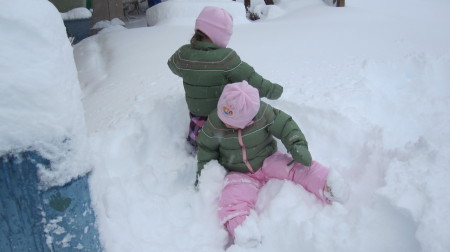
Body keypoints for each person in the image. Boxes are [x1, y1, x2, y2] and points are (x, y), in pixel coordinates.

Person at [196, 81, 350, 243]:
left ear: (250, 116)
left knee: (295, 168)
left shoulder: (263, 114)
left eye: (232, 122)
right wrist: (203, 173)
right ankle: (244, 232)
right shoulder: (214, 122)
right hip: (238, 171)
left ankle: (328, 184)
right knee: (232, 199)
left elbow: (285, 126)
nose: (225, 123)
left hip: (267, 159)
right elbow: (206, 148)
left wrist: (297, 144)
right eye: (223, 116)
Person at [168, 6, 283, 148]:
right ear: (219, 35)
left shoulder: (183, 55)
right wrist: (272, 90)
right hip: (223, 122)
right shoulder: (225, 59)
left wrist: (193, 71)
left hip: (197, 126)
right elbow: (251, 79)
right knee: (238, 142)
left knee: (202, 147)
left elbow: (172, 65)